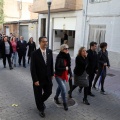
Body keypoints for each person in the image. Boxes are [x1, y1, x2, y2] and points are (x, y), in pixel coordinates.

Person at [30, 36, 54, 118]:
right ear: (40, 42)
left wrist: (52, 74)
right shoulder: (34, 54)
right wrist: (35, 80)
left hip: (48, 78)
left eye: (46, 41)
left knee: (49, 91)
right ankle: (41, 109)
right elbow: (32, 68)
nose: (45, 43)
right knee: (38, 94)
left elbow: (51, 64)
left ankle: (40, 101)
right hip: (38, 79)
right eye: (43, 41)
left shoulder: (49, 52)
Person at [54, 44, 72, 111]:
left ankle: (56, 97)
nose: (67, 50)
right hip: (58, 75)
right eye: (65, 49)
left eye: (68, 48)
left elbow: (69, 66)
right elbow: (57, 68)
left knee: (60, 87)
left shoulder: (67, 56)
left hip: (64, 75)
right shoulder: (59, 57)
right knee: (64, 90)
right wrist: (65, 68)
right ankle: (65, 103)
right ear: (62, 49)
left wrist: (71, 74)